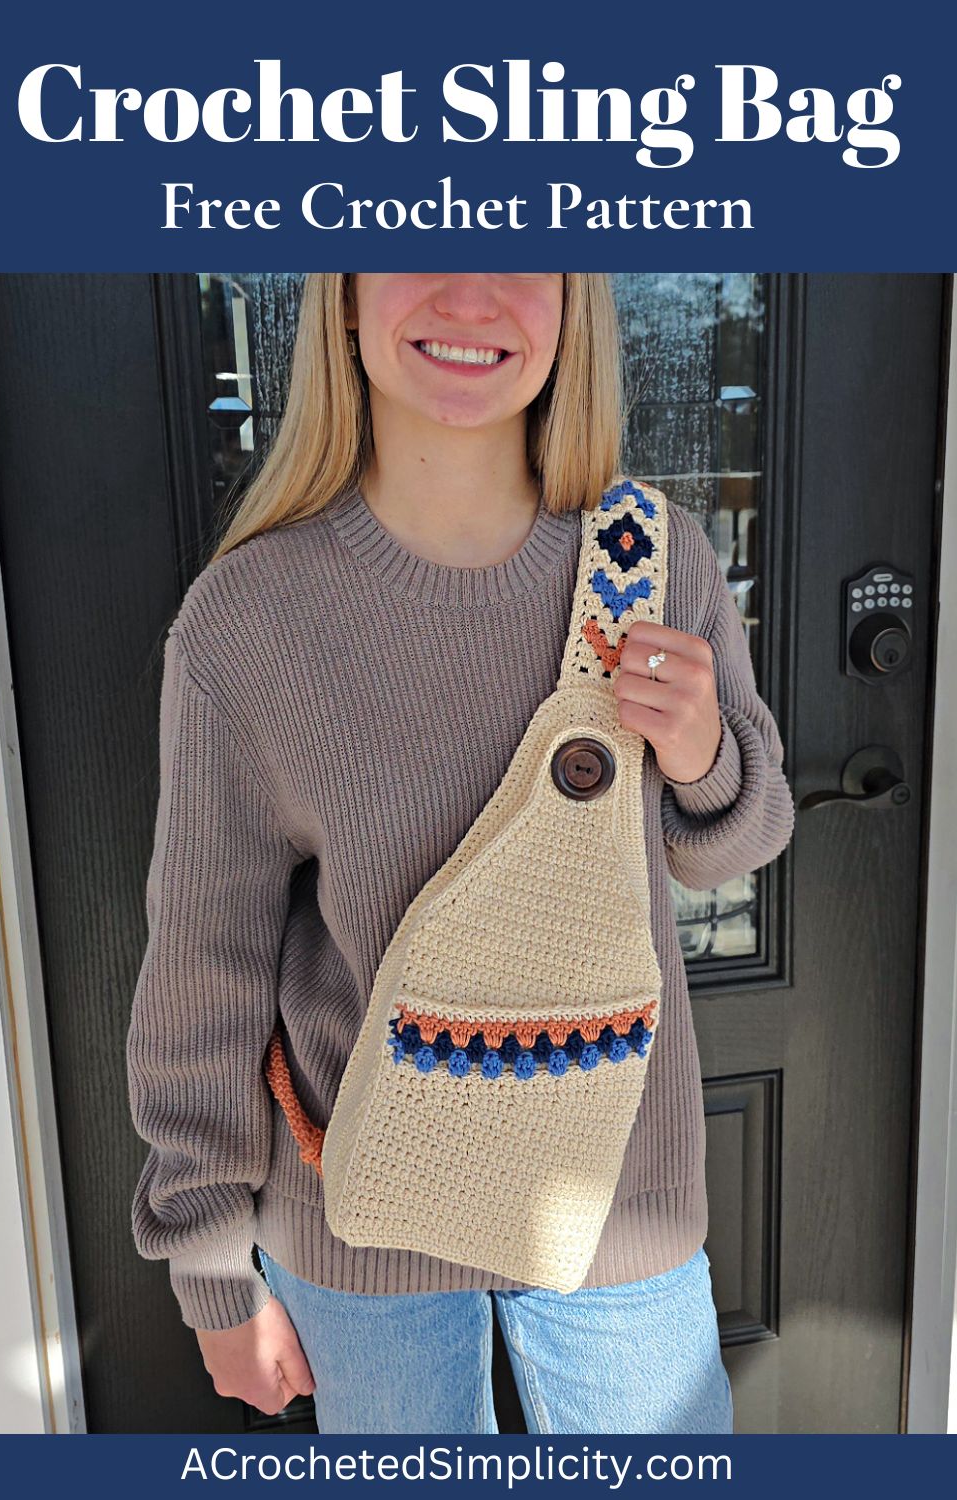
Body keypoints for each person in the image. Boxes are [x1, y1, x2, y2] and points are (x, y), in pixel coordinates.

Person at [126, 272, 795, 1434]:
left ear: (572, 305)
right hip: (358, 1212)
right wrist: (211, 1270)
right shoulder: (250, 621)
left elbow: (738, 842)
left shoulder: (648, 561)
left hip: (616, 1200)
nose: (470, 293)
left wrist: (700, 757)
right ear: (339, 298)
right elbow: (205, 965)